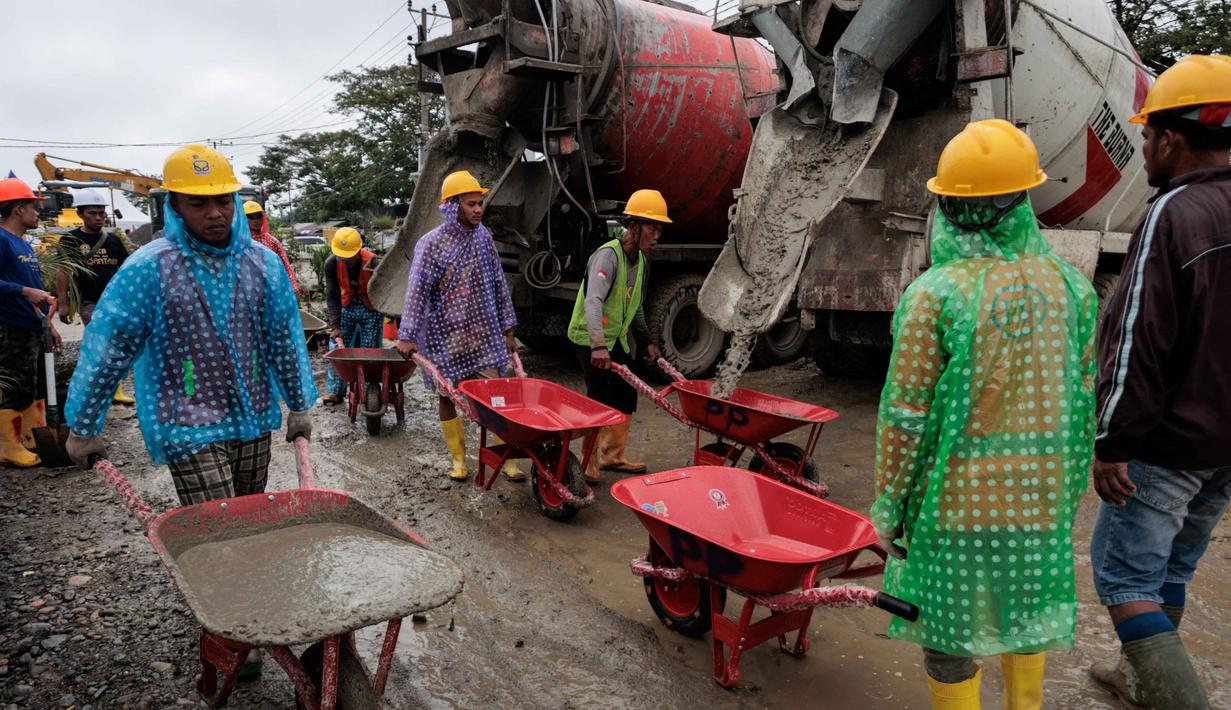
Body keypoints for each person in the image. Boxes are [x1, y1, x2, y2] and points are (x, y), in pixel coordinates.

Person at [870, 120, 1097, 710]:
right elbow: (1081, 403)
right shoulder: (1074, 290)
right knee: (1024, 617)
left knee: (948, 636)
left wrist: (890, 511)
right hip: (1040, 504)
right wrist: (1064, 498)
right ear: (1025, 199)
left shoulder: (935, 294)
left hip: (957, 509)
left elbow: (906, 416)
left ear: (947, 205)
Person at [1087, 54, 1231, 710]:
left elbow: (1137, 340)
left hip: (1168, 443)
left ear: (1171, 139)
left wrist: (1113, 442)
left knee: (1123, 578)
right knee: (1171, 567)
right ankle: (1137, 679)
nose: (1141, 146)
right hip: (1222, 448)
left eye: (1145, 136)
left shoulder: (1171, 214)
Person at [63, 144, 316, 503]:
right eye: (198, 204)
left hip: (255, 414)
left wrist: (299, 405)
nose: (215, 214)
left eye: (223, 201)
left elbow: (283, 340)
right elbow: (109, 350)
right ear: (176, 206)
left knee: (250, 516)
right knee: (219, 526)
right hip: (186, 419)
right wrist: (85, 424)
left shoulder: (263, 264)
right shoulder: (150, 268)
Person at [395, 170, 522, 482]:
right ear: (452, 206)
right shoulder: (431, 245)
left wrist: (508, 329)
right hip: (444, 337)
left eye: (480, 203)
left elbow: (498, 283)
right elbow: (417, 292)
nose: (478, 209)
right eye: (471, 204)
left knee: (496, 395)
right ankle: (458, 459)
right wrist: (408, 336)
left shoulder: (484, 238)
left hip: (483, 335)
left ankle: (504, 457)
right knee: (447, 396)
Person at [566, 190, 665, 483]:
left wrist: (647, 340)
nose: (657, 235)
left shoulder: (642, 262)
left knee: (624, 394)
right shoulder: (608, 256)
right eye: (652, 228)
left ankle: (612, 456)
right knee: (600, 396)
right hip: (589, 338)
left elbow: (633, 307)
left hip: (615, 340)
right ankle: (587, 464)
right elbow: (593, 302)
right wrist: (597, 346)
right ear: (633, 227)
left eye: (660, 229)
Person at [0, 178, 62, 467]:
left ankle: (30, 437)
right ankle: (8, 446)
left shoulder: (22, 244)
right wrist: (24, 291)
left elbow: (33, 288)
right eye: (33, 207)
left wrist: (47, 323)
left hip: (31, 326)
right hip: (10, 326)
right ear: (17, 209)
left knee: (33, 384)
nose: (38, 213)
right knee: (14, 386)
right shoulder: (1, 240)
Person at [55, 187, 135, 405]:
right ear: (80, 213)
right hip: (89, 302)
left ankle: (111, 388)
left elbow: (126, 270)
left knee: (114, 344)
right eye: (93, 213)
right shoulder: (71, 240)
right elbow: (62, 272)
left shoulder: (114, 241)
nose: (99, 217)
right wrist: (63, 304)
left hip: (114, 302)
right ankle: (103, 391)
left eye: (101, 212)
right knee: (102, 342)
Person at [322, 227, 384, 405]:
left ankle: (368, 389)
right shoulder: (332, 263)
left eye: (349, 257)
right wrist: (335, 326)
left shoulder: (373, 262)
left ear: (358, 250)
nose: (345, 261)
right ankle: (335, 391)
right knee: (337, 347)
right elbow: (332, 295)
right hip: (347, 306)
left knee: (369, 350)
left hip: (371, 308)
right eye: (342, 257)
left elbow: (384, 291)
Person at [243, 200, 302, 297]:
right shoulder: (240, 241)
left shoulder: (272, 241)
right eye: (251, 218)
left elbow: (284, 264)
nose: (256, 221)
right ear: (243, 219)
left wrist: (292, 287)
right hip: (247, 290)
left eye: (258, 217)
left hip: (271, 289)